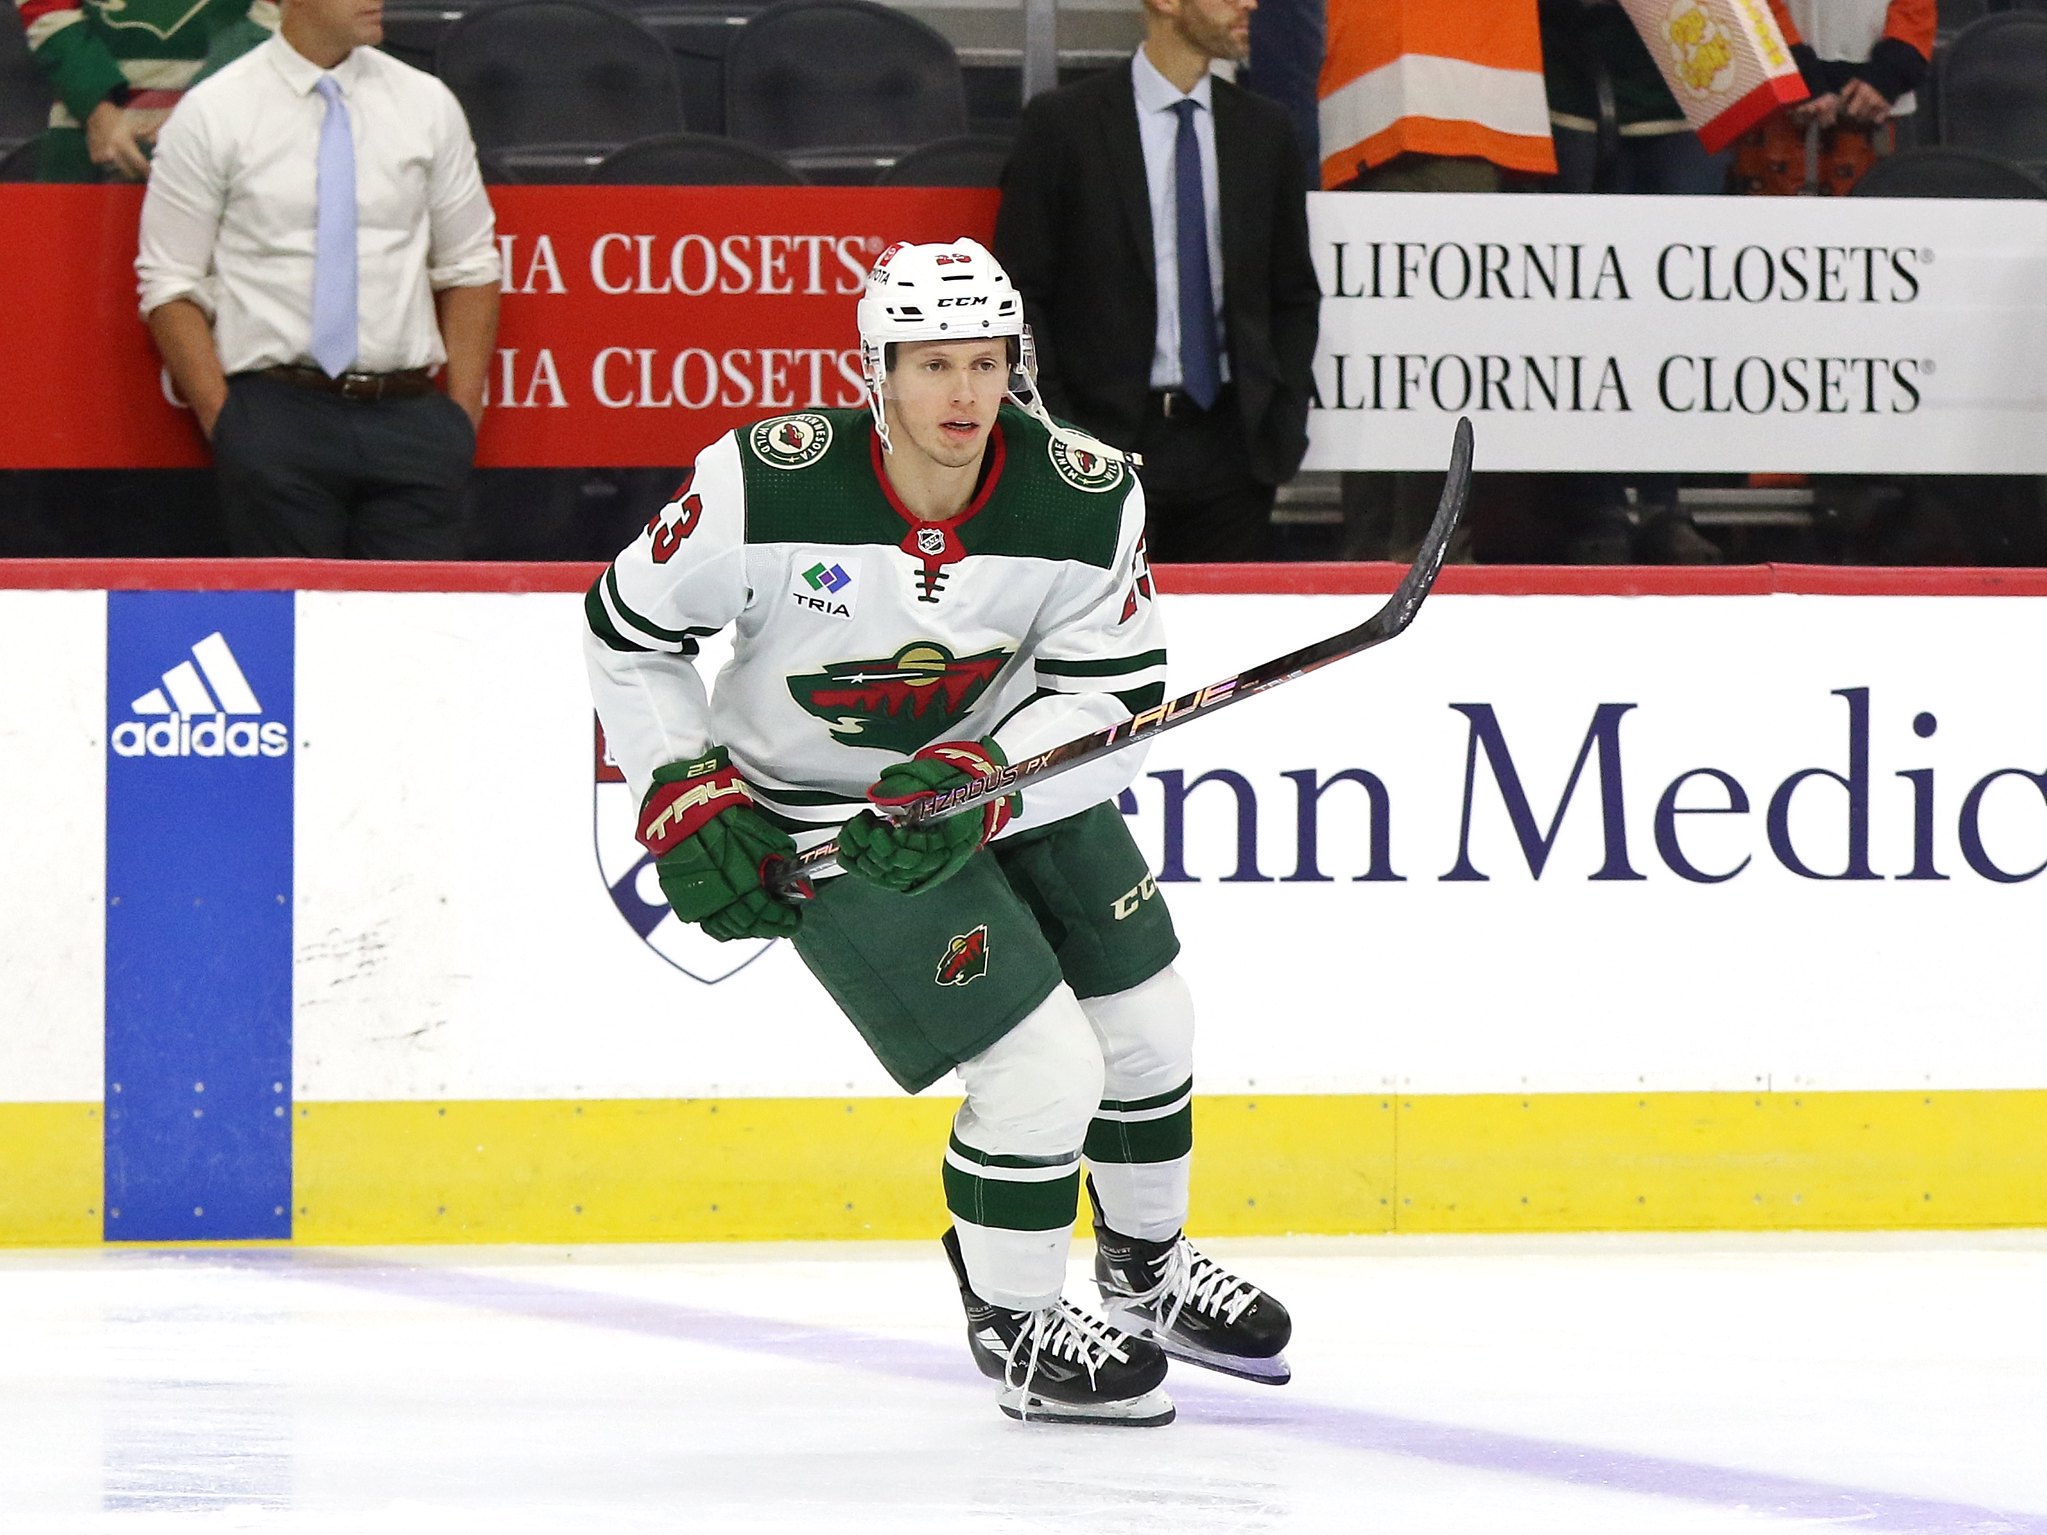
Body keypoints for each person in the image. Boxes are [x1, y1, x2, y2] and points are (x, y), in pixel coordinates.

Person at [584, 238, 1292, 1427]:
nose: (963, 394)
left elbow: (1110, 706)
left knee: (1148, 1026)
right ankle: (1015, 1320)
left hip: (994, 781)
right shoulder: (762, 484)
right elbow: (625, 630)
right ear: (877, 372)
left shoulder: (1084, 492)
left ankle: (1143, 1273)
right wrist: (686, 788)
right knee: (1041, 1068)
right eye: (931, 365)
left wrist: (986, 778)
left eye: (984, 362)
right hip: (823, 813)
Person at [135, 0, 500, 558]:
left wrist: (458, 420)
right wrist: (227, 422)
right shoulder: (214, 111)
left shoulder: (427, 103)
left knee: (415, 615)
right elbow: (169, 282)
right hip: (276, 418)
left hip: (410, 420)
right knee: (288, 613)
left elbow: (471, 266)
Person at [994, 0, 1320, 564]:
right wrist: (1060, 432)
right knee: (1106, 620)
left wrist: (1280, 419)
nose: (1250, 3)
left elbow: (1293, 293)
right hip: (1100, 443)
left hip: (1233, 448)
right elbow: (1021, 294)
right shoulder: (1063, 123)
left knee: (1230, 623)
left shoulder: (1265, 129)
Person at [11, 0, 275, 183]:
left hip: (229, 136)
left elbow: (285, 12)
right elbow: (45, 6)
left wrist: (202, 109)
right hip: (86, 136)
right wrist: (96, 107)